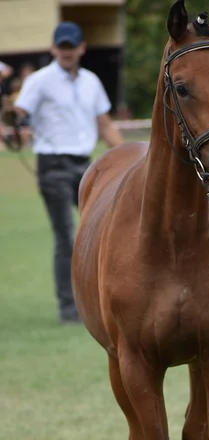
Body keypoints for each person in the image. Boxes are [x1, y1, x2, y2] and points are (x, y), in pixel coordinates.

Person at [14, 22, 123, 323]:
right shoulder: (39, 80)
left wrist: (132, 158)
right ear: (53, 49)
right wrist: (12, 120)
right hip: (53, 165)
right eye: (61, 47)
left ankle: (104, 294)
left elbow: (105, 125)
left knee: (105, 231)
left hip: (86, 165)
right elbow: (17, 113)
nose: (66, 52)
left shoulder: (91, 82)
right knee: (66, 237)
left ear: (81, 48)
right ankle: (68, 307)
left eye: (70, 46)